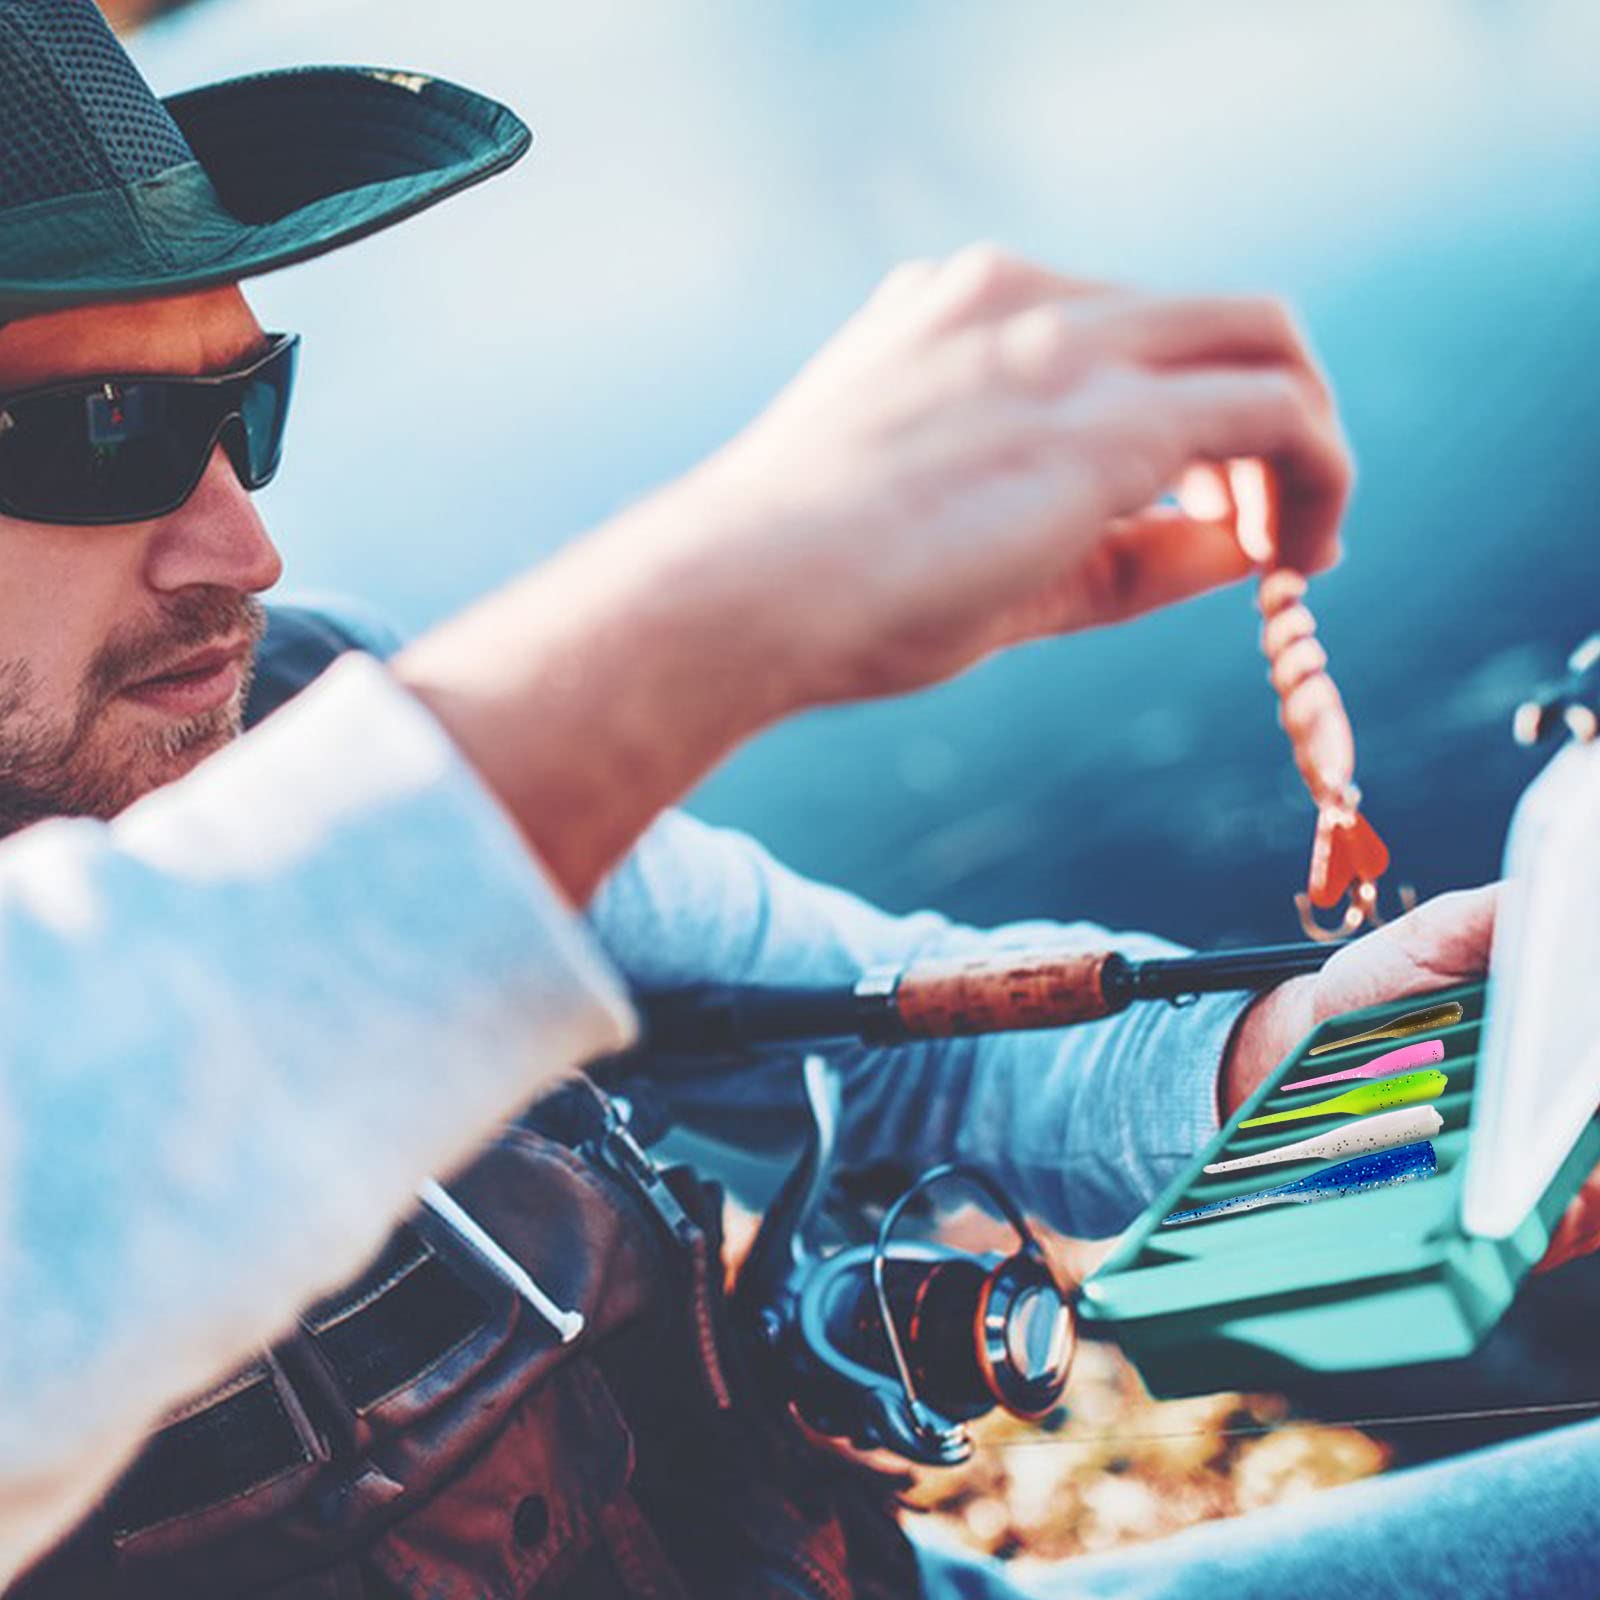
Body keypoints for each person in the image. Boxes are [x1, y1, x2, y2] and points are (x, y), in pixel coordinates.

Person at [1, 2, 1597, 1595]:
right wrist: (728, 602)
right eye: (109, 432)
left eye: (239, 408)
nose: (242, 556)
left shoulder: (306, 706)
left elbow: (904, 1059)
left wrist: (1301, 1062)